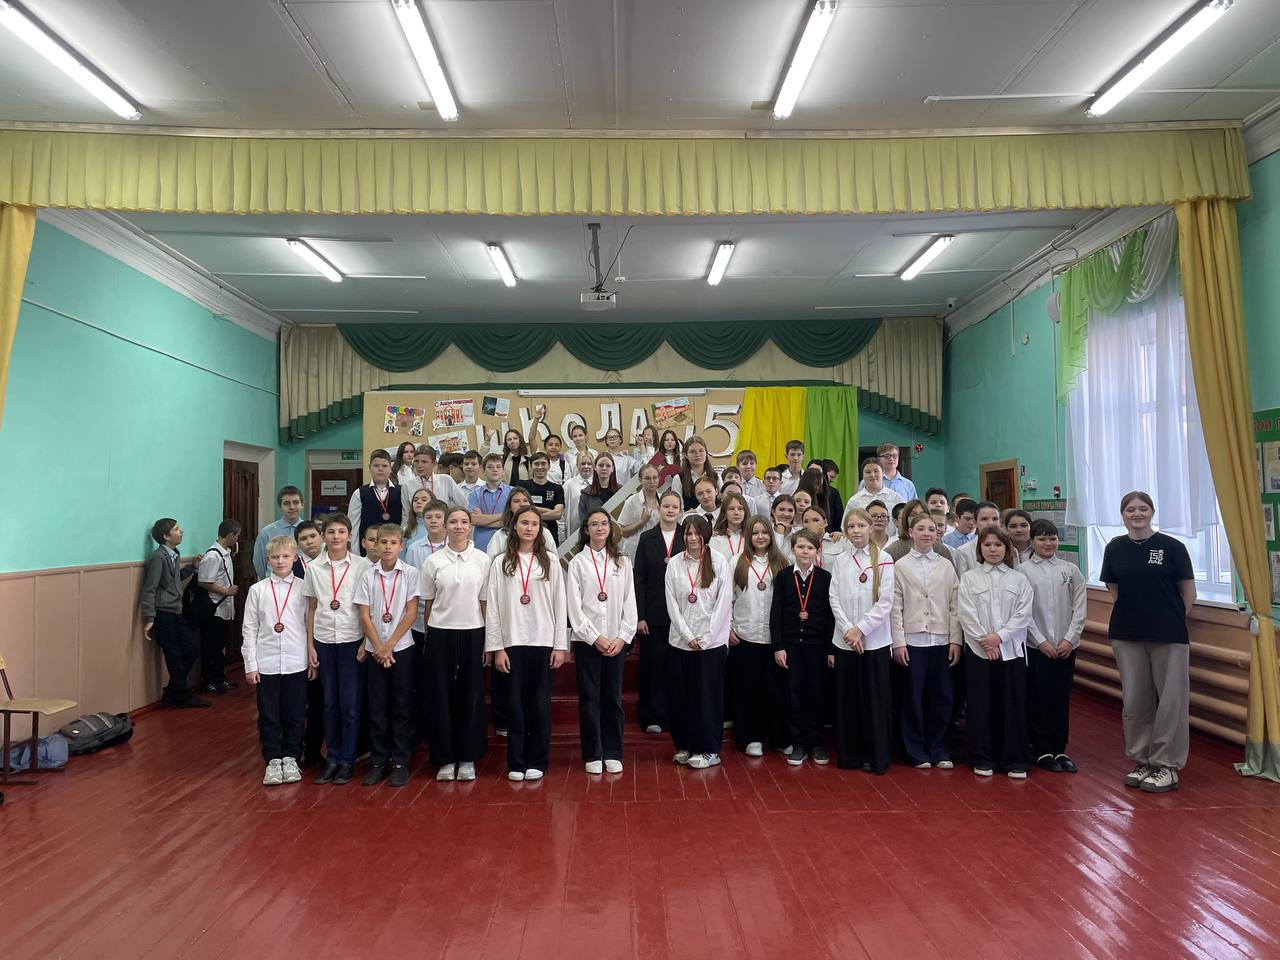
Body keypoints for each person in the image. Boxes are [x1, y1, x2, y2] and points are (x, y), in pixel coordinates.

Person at [1101, 491, 1195, 794]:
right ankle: (1142, 759)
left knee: (1171, 701)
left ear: (1152, 512)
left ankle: (1167, 765)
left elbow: (1188, 593)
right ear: (1123, 515)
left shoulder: (1172, 547)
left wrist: (1168, 618)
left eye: (1143, 508)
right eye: (1130, 509)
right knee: (1135, 699)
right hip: (1126, 633)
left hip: (1168, 634)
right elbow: (1114, 588)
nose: (1137, 514)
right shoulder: (1115, 548)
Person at [485, 507, 567, 782]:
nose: (529, 528)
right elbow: (493, 607)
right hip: (512, 641)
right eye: (524, 523)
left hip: (543, 641)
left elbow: (560, 603)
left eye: (534, 524)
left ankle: (537, 760)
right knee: (515, 705)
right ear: (515, 526)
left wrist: (559, 645)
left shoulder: (550, 561)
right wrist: (497, 647)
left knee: (539, 705)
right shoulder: (500, 562)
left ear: (540, 529)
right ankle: (516, 761)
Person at [420, 507, 491, 782]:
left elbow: (485, 603)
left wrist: (488, 641)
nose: (458, 526)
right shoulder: (433, 561)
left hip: (473, 632)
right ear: (445, 526)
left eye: (463, 522)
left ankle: (468, 757)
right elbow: (429, 603)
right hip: (440, 633)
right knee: (441, 695)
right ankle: (445, 758)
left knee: (470, 696)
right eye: (453, 521)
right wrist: (428, 636)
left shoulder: (482, 560)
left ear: (470, 526)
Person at [958, 527, 1034, 778]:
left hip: (1011, 651)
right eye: (987, 545)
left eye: (998, 545)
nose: (993, 549)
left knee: (1012, 705)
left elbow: (1023, 614)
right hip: (979, 652)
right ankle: (982, 757)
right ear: (980, 548)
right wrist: (986, 642)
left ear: (1007, 549)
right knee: (981, 705)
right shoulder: (969, 578)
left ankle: (1015, 759)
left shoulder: (1019, 579)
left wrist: (999, 639)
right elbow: (966, 613)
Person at [302, 513, 372, 785]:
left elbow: (369, 607)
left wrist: (366, 641)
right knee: (330, 703)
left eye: (341, 532)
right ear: (323, 536)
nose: (336, 537)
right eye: (331, 532)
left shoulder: (363, 565)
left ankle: (347, 760)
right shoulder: (313, 568)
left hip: (352, 639)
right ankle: (332, 757)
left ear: (350, 535)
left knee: (350, 704)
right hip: (324, 640)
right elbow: (311, 608)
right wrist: (310, 645)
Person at [567, 510, 637, 775]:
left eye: (604, 524)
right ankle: (593, 753)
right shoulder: (577, 563)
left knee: (613, 698)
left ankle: (613, 751)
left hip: (616, 641)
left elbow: (630, 602)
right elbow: (574, 607)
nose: (599, 528)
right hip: (588, 641)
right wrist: (594, 637)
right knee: (589, 698)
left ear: (610, 528)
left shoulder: (622, 561)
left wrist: (622, 637)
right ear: (586, 529)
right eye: (594, 524)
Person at [891, 512, 961, 770]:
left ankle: (940, 749)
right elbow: (895, 607)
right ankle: (915, 750)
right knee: (912, 697)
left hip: (941, 640)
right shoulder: (900, 566)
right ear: (911, 532)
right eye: (920, 529)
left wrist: (956, 640)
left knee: (942, 697)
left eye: (931, 529)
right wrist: (898, 642)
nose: (926, 533)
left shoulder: (946, 565)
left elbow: (955, 605)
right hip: (912, 641)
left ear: (937, 533)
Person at [829, 508, 895, 773]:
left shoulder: (884, 559)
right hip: (845, 641)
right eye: (851, 526)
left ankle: (875, 756)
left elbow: (885, 602)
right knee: (849, 701)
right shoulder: (841, 561)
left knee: (874, 701)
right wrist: (849, 630)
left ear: (870, 528)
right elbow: (834, 598)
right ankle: (851, 755)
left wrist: (862, 630)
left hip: (874, 642)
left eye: (860, 526)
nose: (855, 531)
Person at [354, 524, 420, 788]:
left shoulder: (411, 574)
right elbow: (364, 614)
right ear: (375, 545)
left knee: (402, 706)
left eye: (393, 543)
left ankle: (401, 761)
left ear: (401, 546)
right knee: (377, 707)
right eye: (383, 542)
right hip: (375, 649)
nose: (388, 547)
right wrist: (378, 646)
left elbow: (411, 612)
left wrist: (388, 645)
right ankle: (379, 761)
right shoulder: (367, 575)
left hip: (401, 648)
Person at [664, 515, 732, 769]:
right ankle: (685, 745)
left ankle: (708, 749)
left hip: (710, 644)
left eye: (697, 533)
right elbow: (671, 602)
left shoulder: (719, 562)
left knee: (706, 697)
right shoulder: (675, 563)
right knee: (680, 697)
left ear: (706, 534)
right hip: (681, 641)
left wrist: (705, 637)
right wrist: (688, 635)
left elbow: (723, 604)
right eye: (688, 533)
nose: (692, 538)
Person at [243, 534, 311, 786]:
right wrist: (250, 664)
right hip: (267, 662)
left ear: (295, 558)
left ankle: (292, 757)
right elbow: (249, 628)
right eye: (275, 557)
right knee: (268, 714)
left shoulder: (304, 588)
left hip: (296, 661)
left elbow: (309, 626)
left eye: (285, 556)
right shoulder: (257, 590)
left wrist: (311, 660)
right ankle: (272, 760)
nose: (280, 561)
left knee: (295, 712)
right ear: (267, 559)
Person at [1023, 518, 1086, 773]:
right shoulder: (1023, 571)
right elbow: (1023, 612)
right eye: (1041, 538)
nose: (1047, 543)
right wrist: (1041, 641)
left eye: (1052, 538)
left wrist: (1069, 639)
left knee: (1061, 697)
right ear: (1032, 541)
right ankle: (1041, 749)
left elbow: (1079, 607)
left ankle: (1060, 748)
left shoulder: (1070, 570)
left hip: (1065, 647)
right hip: (1036, 647)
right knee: (1038, 697)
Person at [771, 528, 835, 766]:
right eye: (800, 547)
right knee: (794, 693)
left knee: (817, 694)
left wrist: (831, 649)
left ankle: (816, 743)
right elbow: (776, 614)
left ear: (817, 551)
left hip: (818, 646)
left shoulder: (826, 578)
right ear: (793, 550)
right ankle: (798, 743)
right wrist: (778, 646)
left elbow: (831, 616)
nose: (805, 551)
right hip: (791, 647)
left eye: (810, 548)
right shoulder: (784, 577)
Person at [728, 517, 789, 757]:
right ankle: (751, 737)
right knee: (748, 689)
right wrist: (729, 627)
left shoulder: (782, 562)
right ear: (748, 536)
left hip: (774, 638)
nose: (760, 537)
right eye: (755, 533)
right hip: (745, 635)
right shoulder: (737, 562)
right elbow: (727, 598)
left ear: (771, 535)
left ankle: (778, 737)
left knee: (775, 691)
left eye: (765, 532)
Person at [140, 518, 208, 708]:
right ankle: (179, 695)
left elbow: (173, 579)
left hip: (176, 611)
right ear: (166, 536)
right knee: (173, 654)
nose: (181, 531)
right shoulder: (158, 558)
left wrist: (192, 568)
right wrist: (149, 617)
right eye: (177, 529)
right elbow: (150, 588)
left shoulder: (173, 555)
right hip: (163, 612)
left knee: (190, 648)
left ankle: (172, 693)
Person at [633, 490, 684, 734]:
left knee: (677, 668)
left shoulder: (688, 536)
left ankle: (675, 715)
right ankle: (651, 716)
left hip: (682, 616)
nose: (670, 510)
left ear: (681, 511)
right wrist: (640, 616)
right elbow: (639, 580)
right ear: (659, 509)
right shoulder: (647, 538)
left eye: (675, 507)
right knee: (652, 667)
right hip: (653, 615)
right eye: (666, 506)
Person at [195, 519, 241, 694]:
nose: (237, 539)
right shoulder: (213, 556)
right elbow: (204, 582)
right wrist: (225, 591)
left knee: (220, 645)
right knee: (211, 647)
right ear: (231, 535)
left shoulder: (226, 553)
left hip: (224, 608)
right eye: (236, 536)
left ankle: (220, 678)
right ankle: (209, 681)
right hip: (215, 608)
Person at [348, 450, 400, 552]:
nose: (380, 469)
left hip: (393, 549)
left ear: (390, 468)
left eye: (384, 466)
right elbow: (353, 526)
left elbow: (405, 522)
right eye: (376, 466)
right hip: (368, 551)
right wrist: (355, 554)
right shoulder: (359, 493)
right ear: (369, 468)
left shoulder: (401, 491)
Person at [253, 486, 305, 578]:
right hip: (273, 583)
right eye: (286, 503)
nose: (292, 507)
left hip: (303, 582)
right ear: (280, 507)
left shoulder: (310, 531)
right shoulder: (266, 532)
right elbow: (259, 563)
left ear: (302, 505)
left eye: (296, 502)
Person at [515, 451, 565, 544]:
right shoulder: (522, 485)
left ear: (549, 466)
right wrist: (548, 510)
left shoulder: (557, 488)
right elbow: (519, 508)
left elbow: (558, 514)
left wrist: (531, 512)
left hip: (550, 534)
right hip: (526, 533)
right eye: (536, 464)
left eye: (543, 464)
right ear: (531, 466)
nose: (540, 467)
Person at [401, 444, 466, 514]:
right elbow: (406, 515)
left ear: (434, 463)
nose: (419, 465)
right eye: (416, 461)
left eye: (424, 462)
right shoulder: (407, 486)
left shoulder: (445, 480)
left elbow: (463, 505)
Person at [467, 453, 512, 552]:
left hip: (507, 543)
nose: (495, 469)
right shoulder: (474, 495)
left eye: (498, 467)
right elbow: (474, 520)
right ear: (483, 470)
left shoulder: (512, 492)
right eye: (490, 467)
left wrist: (482, 519)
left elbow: (513, 520)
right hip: (482, 544)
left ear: (503, 471)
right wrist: (506, 514)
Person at [617, 462, 661, 559]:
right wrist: (641, 522)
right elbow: (622, 532)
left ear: (659, 479)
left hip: (658, 550)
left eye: (655, 478)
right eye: (647, 478)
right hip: (636, 551)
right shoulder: (631, 501)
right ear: (640, 480)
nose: (652, 481)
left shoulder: (664, 500)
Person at [952, 501, 1002, 577]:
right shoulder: (963, 552)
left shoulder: (1010, 549)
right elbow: (962, 581)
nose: (990, 523)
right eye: (984, 519)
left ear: (1000, 522)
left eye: (995, 519)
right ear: (975, 523)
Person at [672, 436, 716, 510]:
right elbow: (678, 508)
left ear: (706, 453)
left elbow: (723, 503)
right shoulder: (678, 479)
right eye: (692, 451)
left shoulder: (716, 476)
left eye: (701, 450)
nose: (698, 455)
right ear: (685, 455)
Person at [562, 455, 595, 544]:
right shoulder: (568, 485)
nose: (586, 466)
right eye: (583, 463)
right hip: (573, 531)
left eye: (589, 464)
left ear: (593, 465)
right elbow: (562, 511)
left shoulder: (598, 485)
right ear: (577, 465)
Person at [579, 452, 621, 521]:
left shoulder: (621, 492)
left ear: (612, 468)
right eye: (601, 465)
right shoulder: (586, 494)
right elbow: (583, 522)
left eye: (608, 466)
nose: (604, 468)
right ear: (595, 467)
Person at [710, 492, 750, 563]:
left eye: (740, 508)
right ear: (724, 513)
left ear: (745, 512)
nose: (736, 513)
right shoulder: (716, 538)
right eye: (731, 509)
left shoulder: (751, 537)